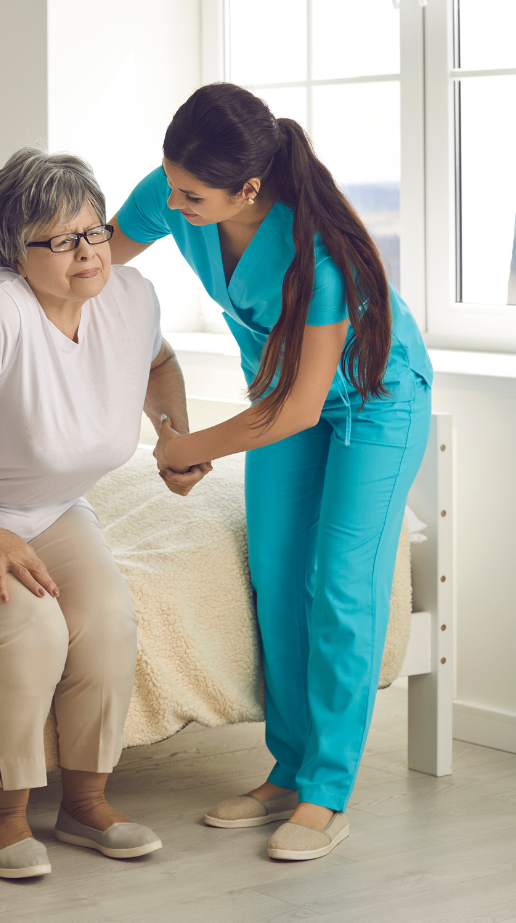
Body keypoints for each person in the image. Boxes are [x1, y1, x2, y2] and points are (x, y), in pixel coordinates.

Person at [109, 82, 432, 862]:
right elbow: (97, 268)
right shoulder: (172, 190)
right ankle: (286, 772)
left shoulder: (320, 257)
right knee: (278, 578)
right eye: (170, 182)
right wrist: (165, 420)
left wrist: (194, 447)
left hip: (372, 406)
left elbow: (298, 408)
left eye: (193, 195)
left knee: (342, 585)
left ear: (247, 189)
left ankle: (326, 792)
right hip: (281, 400)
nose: (173, 202)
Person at [0, 146, 207, 880]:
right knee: (29, 625)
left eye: (92, 232)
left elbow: (158, 364)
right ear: (13, 253)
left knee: (109, 620)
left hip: (46, 509)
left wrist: (172, 434)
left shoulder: (130, 295)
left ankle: (87, 805)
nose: (87, 253)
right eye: (60, 240)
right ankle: (2, 819)